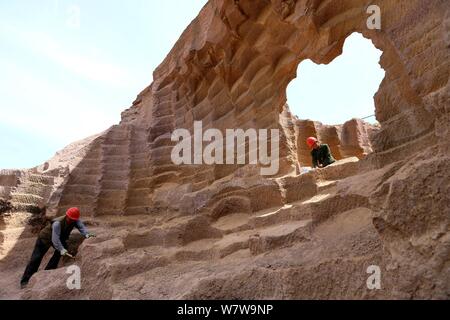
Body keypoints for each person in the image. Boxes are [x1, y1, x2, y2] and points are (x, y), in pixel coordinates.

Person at [20, 207, 95, 288]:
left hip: (59, 238)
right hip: (45, 238)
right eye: (70, 219)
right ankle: (25, 281)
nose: (72, 221)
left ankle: (47, 272)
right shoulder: (57, 223)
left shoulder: (75, 220)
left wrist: (87, 234)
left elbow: (81, 227)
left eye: (74, 219)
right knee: (36, 258)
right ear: (67, 215)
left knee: (60, 252)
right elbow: (55, 239)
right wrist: (61, 249)